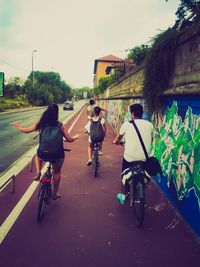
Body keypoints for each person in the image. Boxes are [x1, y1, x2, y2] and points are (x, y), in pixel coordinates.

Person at [12, 103, 80, 200]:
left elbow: (27, 130)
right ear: (56, 114)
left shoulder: (41, 124)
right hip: (57, 155)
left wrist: (19, 127)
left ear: (47, 112)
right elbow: (69, 139)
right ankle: (55, 194)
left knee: (38, 155)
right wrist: (75, 137)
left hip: (43, 153)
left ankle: (38, 172)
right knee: (57, 173)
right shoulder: (61, 126)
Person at [113, 103, 153, 204]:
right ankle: (141, 187)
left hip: (129, 158)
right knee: (144, 171)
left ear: (132, 114)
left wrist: (116, 142)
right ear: (142, 113)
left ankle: (123, 196)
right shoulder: (150, 125)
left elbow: (118, 138)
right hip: (144, 158)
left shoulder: (126, 124)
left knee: (123, 175)